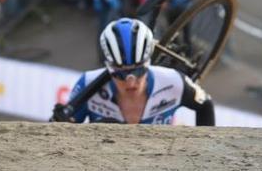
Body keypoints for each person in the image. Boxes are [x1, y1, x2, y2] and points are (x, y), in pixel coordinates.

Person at [53, 18, 214, 125]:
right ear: (108, 67)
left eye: (138, 71)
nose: (130, 81)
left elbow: (205, 105)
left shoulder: (173, 82)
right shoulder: (87, 84)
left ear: (147, 63)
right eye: (120, 74)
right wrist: (61, 127)